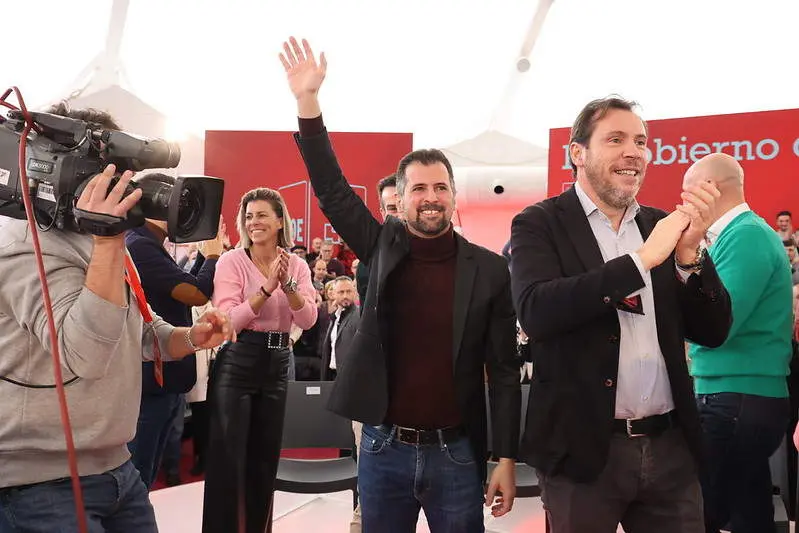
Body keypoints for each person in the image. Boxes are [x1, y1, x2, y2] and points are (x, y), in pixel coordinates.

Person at [282, 37, 520, 533]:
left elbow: (501, 371)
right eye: (419, 188)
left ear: (455, 196)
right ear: (402, 197)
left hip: (458, 453)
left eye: (440, 188)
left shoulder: (490, 271)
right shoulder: (382, 244)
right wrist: (308, 104)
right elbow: (330, 188)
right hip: (381, 447)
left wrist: (506, 458)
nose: (430, 198)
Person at [510, 96, 732, 533]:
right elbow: (536, 310)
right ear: (578, 153)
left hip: (670, 449)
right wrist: (642, 261)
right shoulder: (539, 223)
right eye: (616, 139)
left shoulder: (662, 225)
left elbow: (714, 331)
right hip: (582, 454)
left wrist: (689, 258)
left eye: (641, 141)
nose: (635, 151)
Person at [0, 150, 234, 530]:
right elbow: (86, 356)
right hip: (39, 483)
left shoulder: (109, 245)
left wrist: (192, 336)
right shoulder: (24, 246)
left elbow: (143, 333)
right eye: (114, 179)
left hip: (116, 468)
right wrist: (109, 239)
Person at [683, 153, 793, 532]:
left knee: (701, 510)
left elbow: (720, 322)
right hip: (737, 394)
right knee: (748, 506)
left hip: (736, 395)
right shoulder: (739, 235)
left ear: (711, 189)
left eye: (689, 192)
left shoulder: (745, 236)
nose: (684, 203)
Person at [202, 187, 317, 533]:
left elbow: (308, 319)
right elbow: (228, 322)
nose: (254, 222)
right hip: (238, 362)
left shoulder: (295, 264)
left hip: (279, 363)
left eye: (262, 215)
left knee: (264, 464)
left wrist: (288, 286)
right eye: (249, 216)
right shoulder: (231, 261)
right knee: (227, 465)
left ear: (280, 220)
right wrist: (266, 289)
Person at [125, 172, 225, 489]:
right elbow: (196, 293)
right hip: (154, 379)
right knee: (139, 474)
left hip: (166, 378)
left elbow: (179, 285)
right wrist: (212, 255)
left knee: (148, 468)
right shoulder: (140, 246)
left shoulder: (147, 244)